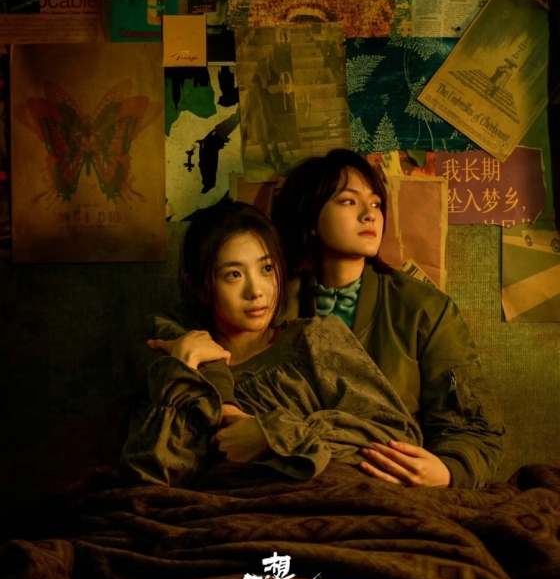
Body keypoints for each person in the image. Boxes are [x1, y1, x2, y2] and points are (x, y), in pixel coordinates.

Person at [122, 200, 422, 488]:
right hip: (233, 511)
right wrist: (183, 368)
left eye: (266, 269)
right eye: (234, 275)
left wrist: (274, 435)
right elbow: (155, 481)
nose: (256, 291)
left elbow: (396, 433)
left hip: (338, 496)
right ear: (198, 287)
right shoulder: (178, 365)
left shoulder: (316, 338)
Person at [270, 149, 505, 490]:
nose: (370, 214)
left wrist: (448, 470)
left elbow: (474, 429)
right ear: (309, 218)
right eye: (349, 201)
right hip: (297, 481)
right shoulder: (270, 304)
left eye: (376, 203)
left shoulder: (423, 308)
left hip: (392, 487)